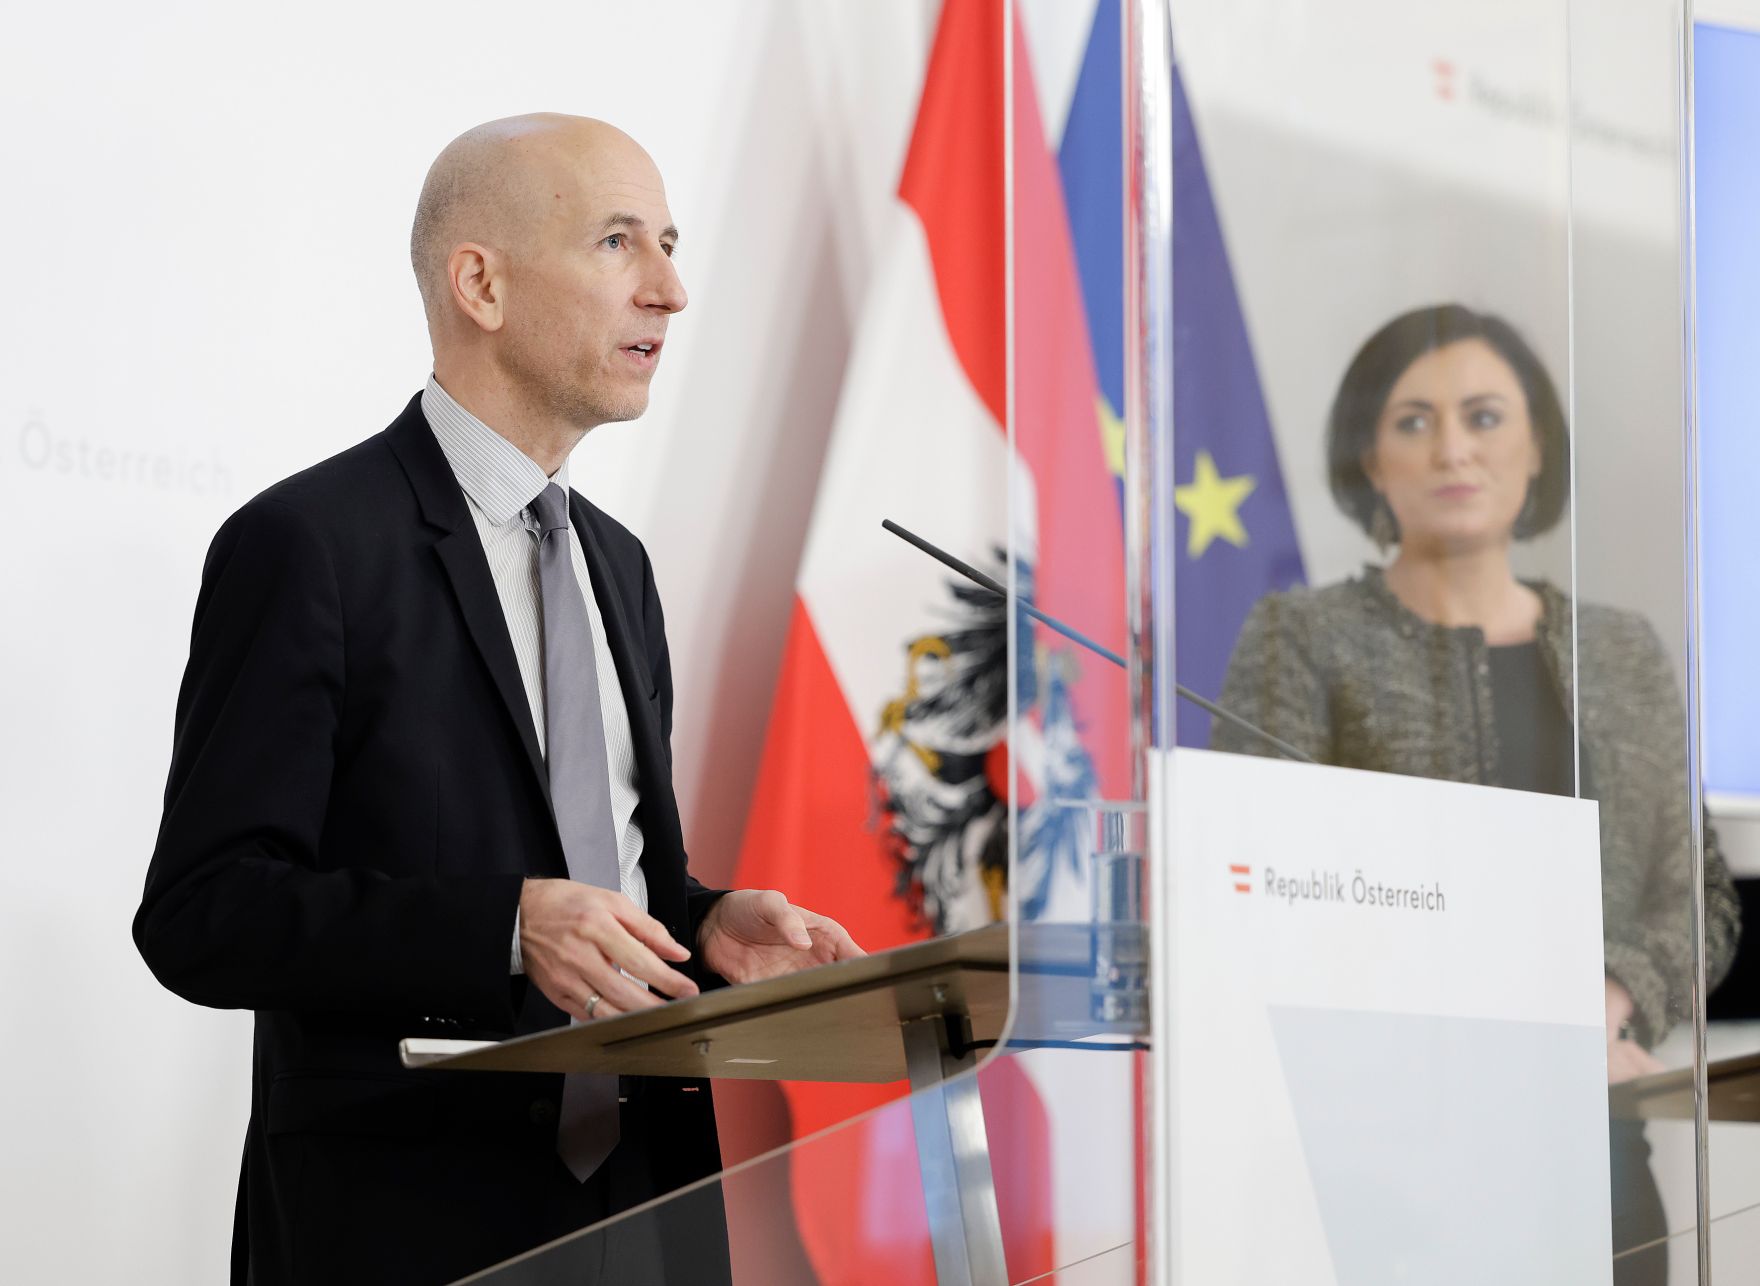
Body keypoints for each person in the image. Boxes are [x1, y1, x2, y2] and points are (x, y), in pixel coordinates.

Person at [133, 113, 862, 1286]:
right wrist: (504, 930)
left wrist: (701, 921)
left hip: (650, 1208)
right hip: (410, 1226)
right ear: (481, 283)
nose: (669, 290)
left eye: (670, 243)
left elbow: (589, 859)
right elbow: (204, 912)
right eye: (618, 242)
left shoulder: (618, 565)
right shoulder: (308, 545)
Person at [1213, 303, 1740, 1285]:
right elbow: (1251, 888)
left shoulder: (1621, 650)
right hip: (1377, 1168)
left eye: (1484, 416)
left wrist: (1607, 994)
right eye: (1413, 420)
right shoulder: (1302, 637)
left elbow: (1697, 898)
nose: (1452, 447)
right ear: (1369, 461)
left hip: (1597, 1156)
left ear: (1535, 447)